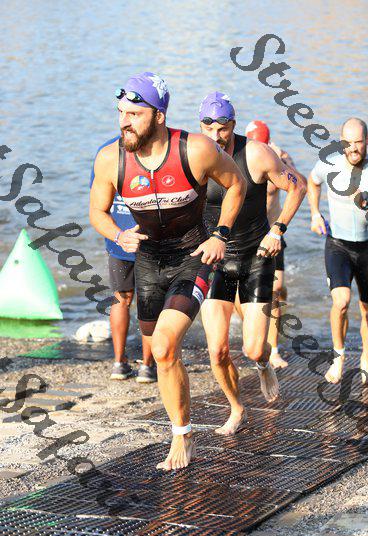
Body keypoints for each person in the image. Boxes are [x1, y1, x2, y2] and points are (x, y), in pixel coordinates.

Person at [90, 73, 246, 470]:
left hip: (193, 256)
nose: (124, 122)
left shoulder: (196, 149)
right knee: (160, 355)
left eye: (134, 114)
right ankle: (183, 425)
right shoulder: (110, 159)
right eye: (121, 113)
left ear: (159, 116)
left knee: (163, 346)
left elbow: (237, 184)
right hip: (147, 262)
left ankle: (182, 435)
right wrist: (118, 235)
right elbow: (97, 211)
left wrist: (221, 235)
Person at [199, 92, 306, 435]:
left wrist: (278, 229)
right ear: (200, 126)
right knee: (217, 351)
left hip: (255, 259)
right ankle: (236, 408)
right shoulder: (195, 156)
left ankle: (263, 363)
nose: (216, 136)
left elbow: (299, 186)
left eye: (223, 128)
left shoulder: (256, 154)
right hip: (215, 262)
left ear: (232, 124)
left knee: (254, 348)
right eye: (208, 128)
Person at [308, 117, 368, 385]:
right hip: (338, 245)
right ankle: (338, 358)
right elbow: (312, 181)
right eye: (348, 143)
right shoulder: (329, 164)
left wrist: (367, 206)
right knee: (341, 302)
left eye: (358, 142)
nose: (353, 148)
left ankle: (366, 363)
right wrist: (315, 213)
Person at [91, 139, 156, 383]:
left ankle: (119, 363)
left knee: (120, 299)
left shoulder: (106, 152)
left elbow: (98, 203)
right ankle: (147, 366)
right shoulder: (157, 149)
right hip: (149, 239)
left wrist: (117, 234)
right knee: (150, 302)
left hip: (118, 237)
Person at [245, 119, 300, 370]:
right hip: (247, 236)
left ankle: (274, 349)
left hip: (273, 234)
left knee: (276, 291)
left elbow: (298, 185)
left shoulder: (277, 158)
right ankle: (252, 334)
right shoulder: (241, 156)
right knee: (245, 293)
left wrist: (284, 161)